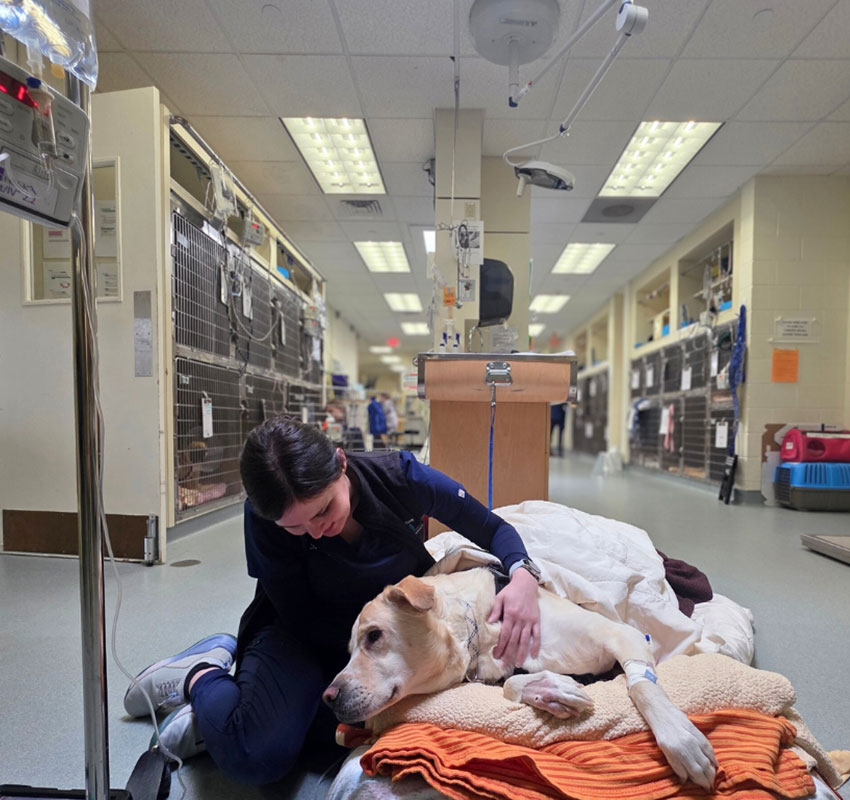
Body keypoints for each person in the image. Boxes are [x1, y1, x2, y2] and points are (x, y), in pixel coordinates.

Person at [123, 416, 542, 785]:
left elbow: (492, 529)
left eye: (324, 509)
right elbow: (300, 617)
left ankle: (244, 716)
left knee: (380, 726)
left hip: (378, 635)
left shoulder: (401, 477)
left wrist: (523, 575)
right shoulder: (263, 518)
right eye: (296, 527)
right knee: (259, 758)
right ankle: (201, 675)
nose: (316, 531)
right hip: (302, 633)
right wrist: (356, 679)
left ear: (341, 464)